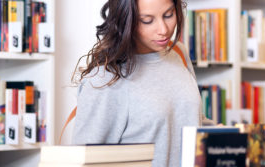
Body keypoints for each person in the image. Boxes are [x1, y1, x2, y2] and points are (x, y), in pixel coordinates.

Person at [72, 0, 215, 166]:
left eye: (169, 15)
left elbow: (188, 118)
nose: (164, 29)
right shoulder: (104, 79)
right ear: (125, 20)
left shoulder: (178, 54)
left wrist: (231, 137)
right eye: (147, 20)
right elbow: (84, 160)